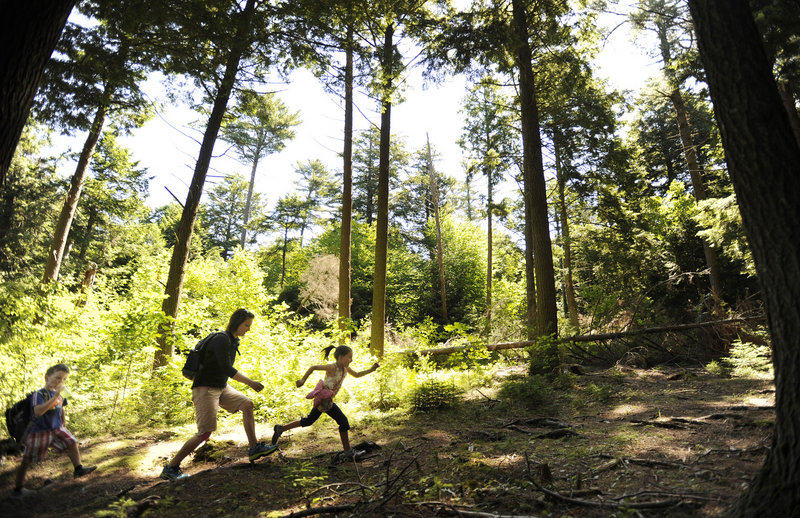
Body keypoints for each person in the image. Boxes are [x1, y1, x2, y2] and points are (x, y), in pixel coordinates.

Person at [160, 308, 276, 480]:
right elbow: (226, 368)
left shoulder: (233, 340)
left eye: (249, 325)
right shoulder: (222, 339)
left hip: (221, 386)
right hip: (205, 388)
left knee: (247, 404)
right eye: (246, 325)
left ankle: (254, 448)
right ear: (237, 323)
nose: (249, 329)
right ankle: (171, 468)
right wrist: (250, 382)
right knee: (205, 433)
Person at [271, 345, 378, 455]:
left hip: (327, 401)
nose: (351, 360)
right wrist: (303, 380)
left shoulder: (345, 368)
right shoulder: (332, 367)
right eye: (349, 357)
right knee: (343, 422)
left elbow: (357, 374)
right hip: (324, 400)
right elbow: (313, 367)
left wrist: (371, 369)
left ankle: (281, 428)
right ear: (341, 357)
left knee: (309, 421)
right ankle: (347, 452)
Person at [13, 364, 96, 497]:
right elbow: (38, 411)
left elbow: (61, 408)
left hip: (57, 428)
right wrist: (55, 396)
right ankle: (18, 489)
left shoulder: (60, 394)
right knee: (27, 460)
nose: (60, 381)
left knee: (72, 442)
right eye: (58, 378)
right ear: (47, 378)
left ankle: (78, 469)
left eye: (63, 379)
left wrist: (64, 423)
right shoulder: (39, 394)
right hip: (39, 431)